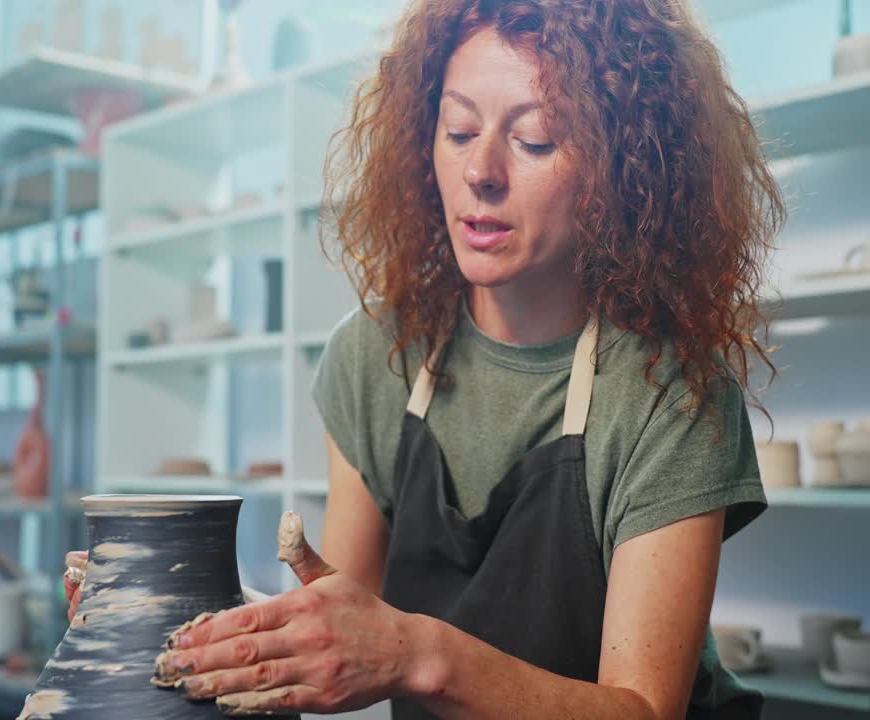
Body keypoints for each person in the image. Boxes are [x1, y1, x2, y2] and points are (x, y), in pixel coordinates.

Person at [66, 0, 785, 717]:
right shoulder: (378, 354)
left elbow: (642, 710)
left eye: (535, 140)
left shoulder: (670, 389)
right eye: (459, 129)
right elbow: (347, 635)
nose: (481, 170)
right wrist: (189, 631)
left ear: (622, 170)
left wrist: (419, 656)